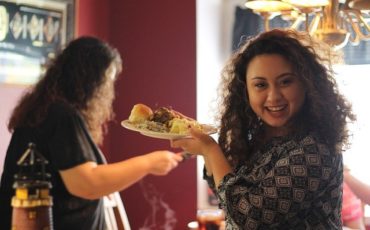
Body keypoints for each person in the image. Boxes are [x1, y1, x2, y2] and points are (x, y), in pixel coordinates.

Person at [171, 29, 355, 229]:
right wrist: (201, 145)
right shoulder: (257, 138)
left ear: (306, 84)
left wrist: (210, 149)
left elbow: (248, 217)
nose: (273, 96)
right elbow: (227, 195)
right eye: (260, 85)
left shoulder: (315, 149)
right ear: (246, 92)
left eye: (285, 82)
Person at [0, 36, 183, 230]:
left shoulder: (44, 109)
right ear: (91, 80)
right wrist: (149, 163)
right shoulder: (61, 115)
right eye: (107, 81)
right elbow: (87, 183)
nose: (109, 90)